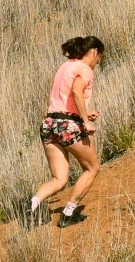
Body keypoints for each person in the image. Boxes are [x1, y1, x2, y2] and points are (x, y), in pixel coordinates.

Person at [27, 35, 104, 229]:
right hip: (66, 125)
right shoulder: (85, 69)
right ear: (94, 52)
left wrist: (85, 113)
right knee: (92, 168)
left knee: (59, 179)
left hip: (49, 123)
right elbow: (77, 91)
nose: (98, 62)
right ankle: (68, 213)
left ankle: (34, 204)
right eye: (100, 57)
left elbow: (64, 99)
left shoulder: (66, 66)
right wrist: (85, 121)